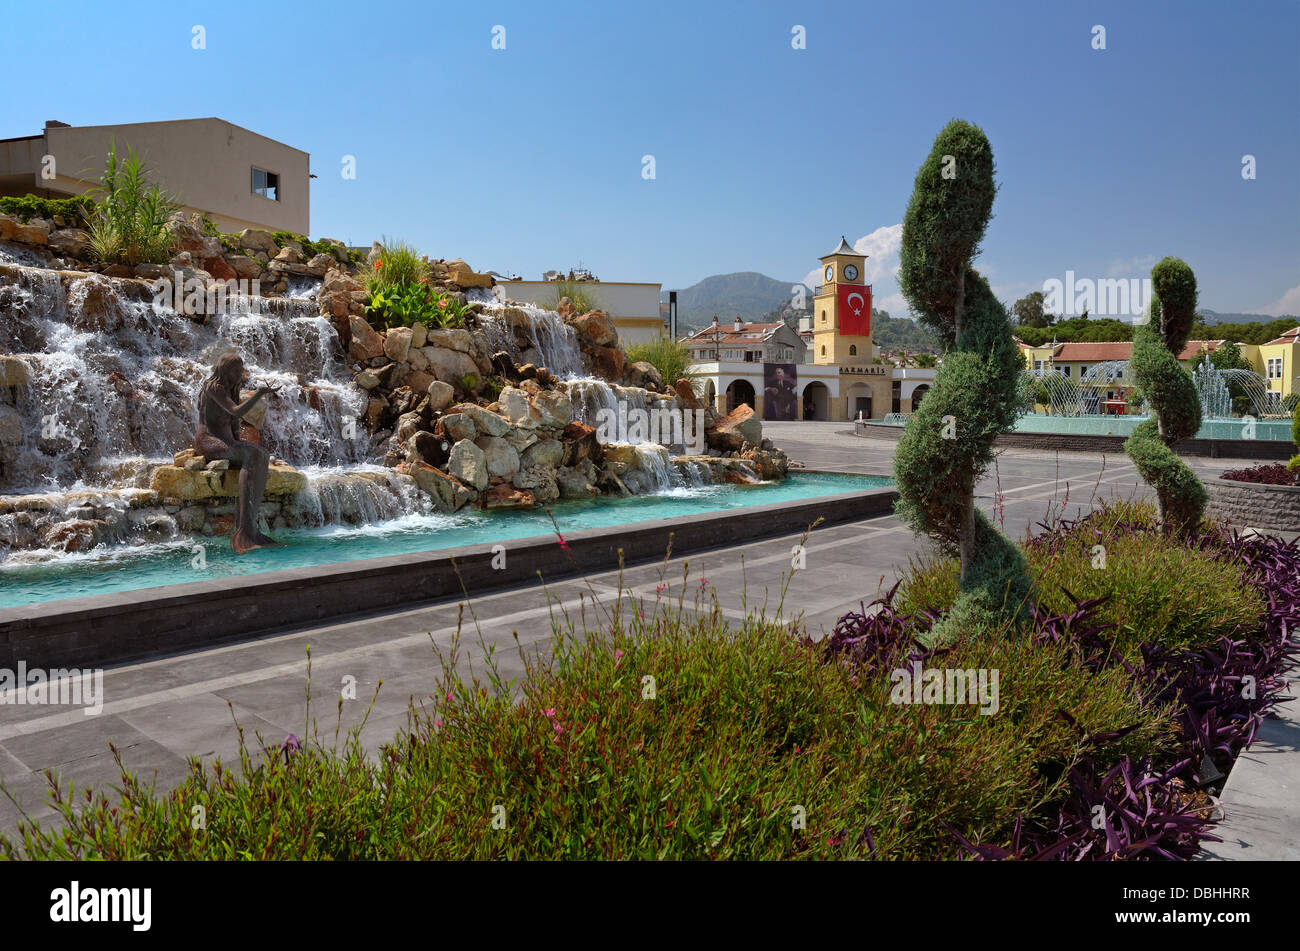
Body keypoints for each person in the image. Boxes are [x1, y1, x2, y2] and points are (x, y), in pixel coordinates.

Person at [194, 351, 281, 553]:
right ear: (226, 370)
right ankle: (244, 530)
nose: (240, 374)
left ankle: (251, 528)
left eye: (241, 370)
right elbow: (235, 411)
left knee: (260, 453)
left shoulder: (232, 387)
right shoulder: (212, 386)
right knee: (252, 454)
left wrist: (238, 442)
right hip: (208, 441)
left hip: (226, 440)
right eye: (236, 370)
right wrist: (259, 394)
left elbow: (234, 421)